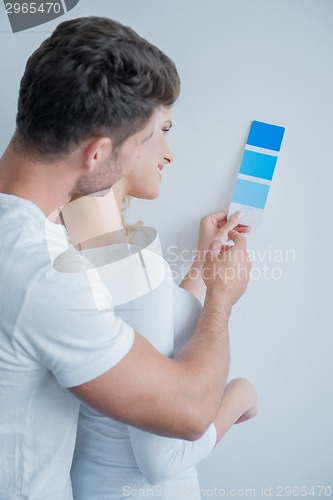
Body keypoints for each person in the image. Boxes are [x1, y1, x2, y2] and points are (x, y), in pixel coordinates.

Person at [0, 16, 252, 500]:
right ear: (97, 153)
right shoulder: (46, 275)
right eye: (143, 141)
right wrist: (222, 300)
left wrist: (201, 271)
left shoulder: (37, 246)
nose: (163, 154)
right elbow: (187, 413)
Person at [66, 176, 257, 499]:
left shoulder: (93, 249)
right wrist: (241, 393)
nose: (168, 155)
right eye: (162, 130)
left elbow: (155, 333)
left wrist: (202, 262)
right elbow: (163, 463)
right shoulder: (125, 261)